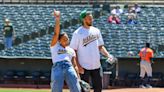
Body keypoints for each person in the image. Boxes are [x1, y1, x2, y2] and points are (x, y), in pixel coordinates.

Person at [70, 10, 113, 92]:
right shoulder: (77, 33)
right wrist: (78, 66)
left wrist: (108, 55)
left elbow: (100, 47)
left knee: (98, 89)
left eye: (91, 18)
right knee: (84, 89)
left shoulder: (96, 31)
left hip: (96, 65)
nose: (91, 20)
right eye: (89, 18)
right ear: (83, 20)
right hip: (83, 66)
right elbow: (73, 51)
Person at [50, 10, 81, 92]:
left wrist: (78, 78)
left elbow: (75, 65)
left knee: (76, 89)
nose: (67, 40)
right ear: (59, 41)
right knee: (56, 90)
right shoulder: (55, 46)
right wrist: (57, 19)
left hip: (69, 67)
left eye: (67, 38)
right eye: (64, 39)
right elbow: (56, 33)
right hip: (58, 67)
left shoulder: (71, 50)